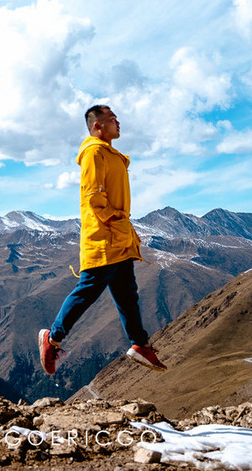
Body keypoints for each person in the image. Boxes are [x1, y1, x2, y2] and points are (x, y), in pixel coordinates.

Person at [38, 105, 167, 374]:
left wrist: (122, 227)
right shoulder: (94, 152)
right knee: (89, 289)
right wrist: (115, 221)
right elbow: (93, 197)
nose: (118, 122)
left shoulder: (111, 154)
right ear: (98, 126)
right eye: (112, 119)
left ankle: (140, 344)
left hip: (117, 237)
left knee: (128, 294)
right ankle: (52, 338)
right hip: (104, 237)